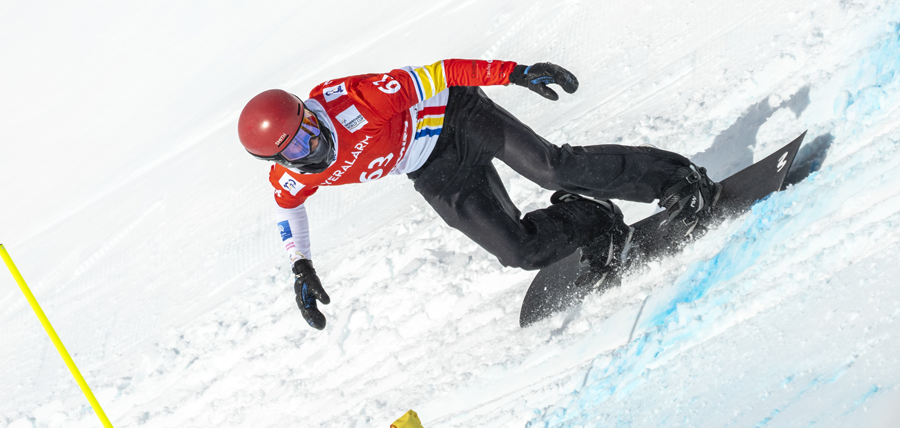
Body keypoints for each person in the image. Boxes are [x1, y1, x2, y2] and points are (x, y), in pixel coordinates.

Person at [237, 59, 720, 329]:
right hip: (430, 166)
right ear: (278, 160)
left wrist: (516, 73)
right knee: (519, 251)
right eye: (297, 147)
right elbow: (288, 210)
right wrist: (301, 265)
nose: (313, 141)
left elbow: (441, 72)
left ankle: (678, 180)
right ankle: (595, 221)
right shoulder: (292, 178)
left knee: (552, 168)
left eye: (309, 124)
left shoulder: (357, 100)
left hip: (457, 115)